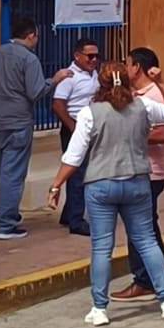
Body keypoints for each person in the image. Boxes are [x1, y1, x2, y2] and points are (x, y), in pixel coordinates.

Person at [46, 62, 164, 326]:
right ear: (127, 82)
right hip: (137, 182)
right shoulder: (143, 106)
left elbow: (74, 157)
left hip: (101, 184)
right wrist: (161, 82)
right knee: (147, 242)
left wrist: (56, 186)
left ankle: (99, 308)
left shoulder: (90, 113)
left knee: (102, 247)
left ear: (101, 84)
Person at [0, 17, 73, 240]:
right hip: (16, 123)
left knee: (3, 171)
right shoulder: (29, 59)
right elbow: (36, 92)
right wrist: (54, 80)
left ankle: (6, 217)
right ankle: (6, 224)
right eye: (37, 36)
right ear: (31, 35)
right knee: (13, 174)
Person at [111, 48, 164, 302]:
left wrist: (126, 135)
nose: (125, 68)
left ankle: (145, 280)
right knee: (146, 227)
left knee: (139, 229)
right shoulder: (135, 94)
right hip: (137, 168)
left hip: (150, 171)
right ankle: (158, 277)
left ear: (137, 67)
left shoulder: (154, 95)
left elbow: (161, 134)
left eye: (127, 64)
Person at [52, 38, 100, 236]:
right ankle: (76, 221)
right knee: (77, 173)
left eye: (96, 56)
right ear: (77, 56)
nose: (94, 60)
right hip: (74, 128)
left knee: (81, 173)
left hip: (89, 128)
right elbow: (58, 104)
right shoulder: (69, 77)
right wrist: (73, 127)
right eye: (90, 56)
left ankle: (69, 213)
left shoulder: (94, 74)